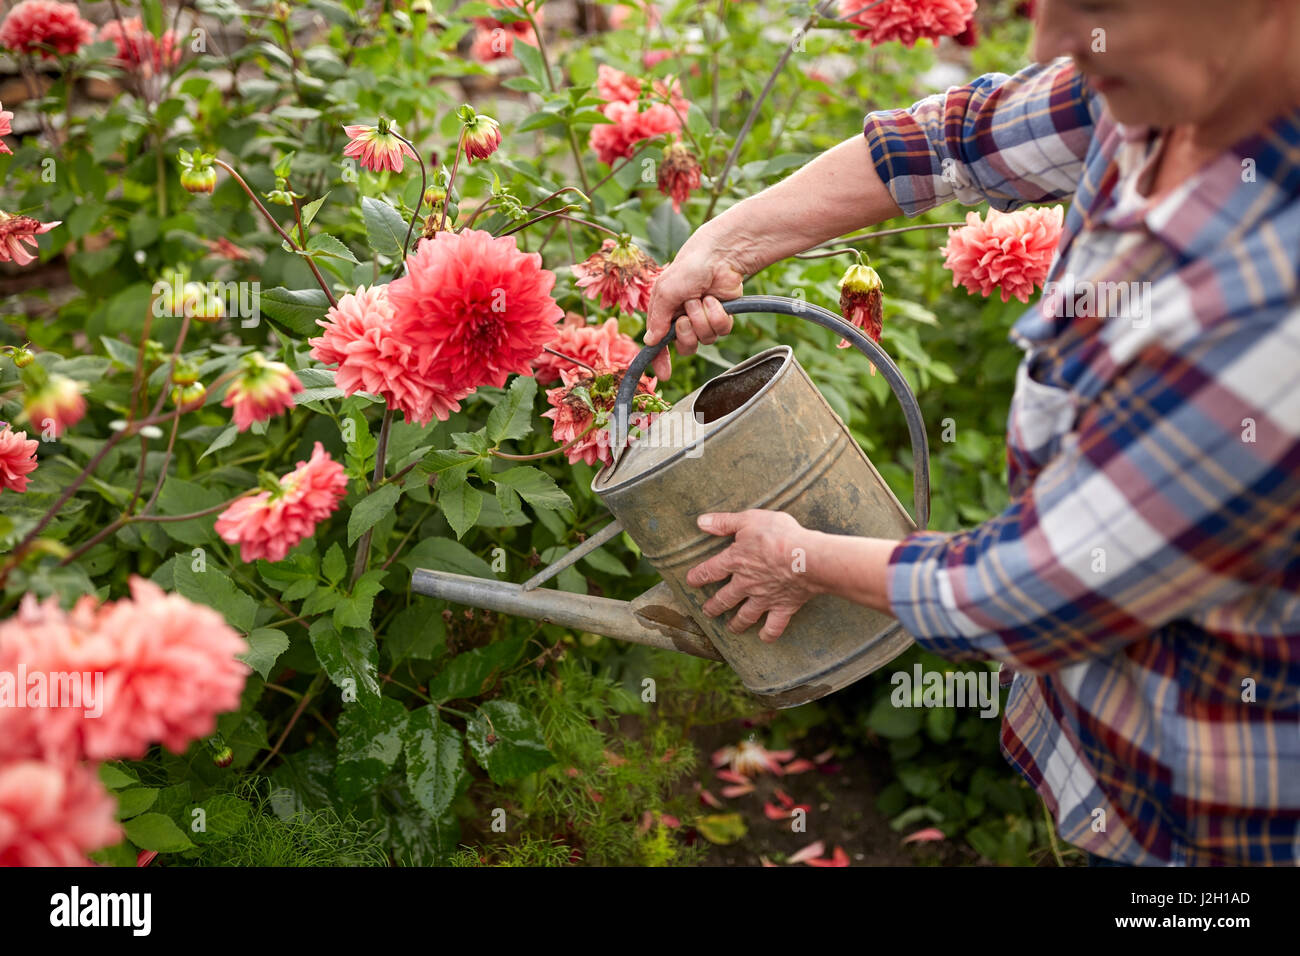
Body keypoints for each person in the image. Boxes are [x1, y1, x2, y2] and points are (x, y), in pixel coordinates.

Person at [643, 0, 1300, 866]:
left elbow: (1038, 589)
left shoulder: (1266, 303)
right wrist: (730, 239)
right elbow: (958, 138)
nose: (1049, 42)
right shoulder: (1171, 86)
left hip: (1211, 821)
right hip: (1110, 756)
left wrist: (797, 555)